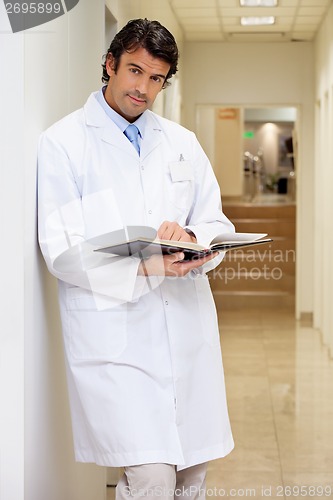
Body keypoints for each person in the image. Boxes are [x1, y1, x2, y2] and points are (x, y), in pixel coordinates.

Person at [37, 18, 235, 499]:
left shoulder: (182, 142)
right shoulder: (64, 144)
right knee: (150, 477)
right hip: (116, 342)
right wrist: (149, 266)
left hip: (185, 335)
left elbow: (218, 224)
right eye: (134, 71)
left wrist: (190, 235)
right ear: (109, 65)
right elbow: (62, 252)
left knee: (190, 476)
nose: (144, 88)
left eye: (156, 78)